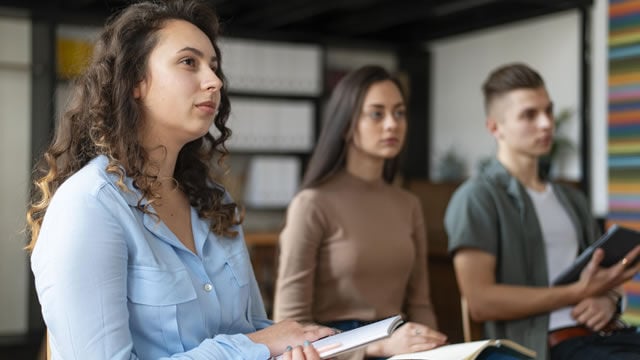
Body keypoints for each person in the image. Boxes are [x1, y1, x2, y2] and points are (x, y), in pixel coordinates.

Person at [26, 1, 335, 359]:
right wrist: (256, 346)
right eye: (189, 62)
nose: (215, 81)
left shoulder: (213, 202)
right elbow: (252, 344)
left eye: (214, 67)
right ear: (135, 81)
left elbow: (252, 331)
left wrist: (298, 346)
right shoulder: (89, 205)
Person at [444, 62, 640, 360]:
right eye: (529, 115)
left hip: (606, 336)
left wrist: (608, 300)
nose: (547, 123)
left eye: (548, 111)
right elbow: (481, 301)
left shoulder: (571, 199)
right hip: (544, 346)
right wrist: (578, 293)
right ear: (495, 127)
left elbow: (603, 281)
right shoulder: (477, 198)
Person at [273, 65, 448, 360]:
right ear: (346, 125)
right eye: (377, 114)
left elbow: (420, 304)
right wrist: (376, 348)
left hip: (401, 344)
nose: (392, 124)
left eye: (399, 113)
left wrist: (433, 350)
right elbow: (290, 326)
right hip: (337, 350)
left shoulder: (408, 204)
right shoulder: (312, 204)